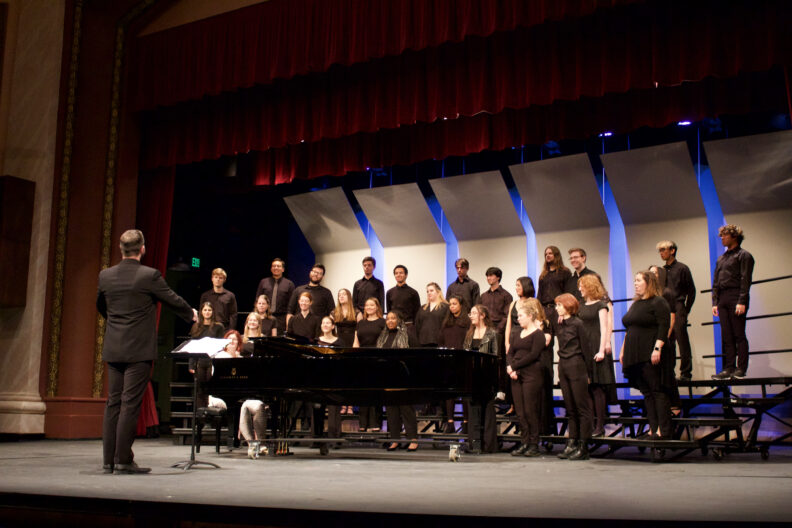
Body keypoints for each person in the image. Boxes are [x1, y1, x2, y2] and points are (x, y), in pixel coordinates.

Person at [96, 229, 196, 474]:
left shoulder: (105, 276)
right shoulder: (149, 275)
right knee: (130, 404)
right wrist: (190, 313)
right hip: (138, 349)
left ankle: (110, 460)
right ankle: (123, 460)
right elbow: (172, 299)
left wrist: (117, 324)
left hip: (114, 346)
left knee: (113, 403)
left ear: (121, 250)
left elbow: (102, 306)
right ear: (142, 249)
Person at [620, 271, 672, 439]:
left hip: (649, 352)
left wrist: (657, 348)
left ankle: (662, 430)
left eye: (638, 280)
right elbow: (629, 329)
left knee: (657, 391)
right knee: (647, 393)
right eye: (634, 280)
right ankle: (652, 428)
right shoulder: (636, 304)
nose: (635, 283)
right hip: (634, 354)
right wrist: (622, 350)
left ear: (648, 283)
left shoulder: (658, 302)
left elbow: (664, 326)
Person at [711, 224, 755, 380]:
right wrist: (715, 302)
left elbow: (745, 279)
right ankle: (728, 368)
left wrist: (742, 300)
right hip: (722, 298)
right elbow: (716, 281)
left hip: (736, 295)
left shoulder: (744, 255)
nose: (722, 238)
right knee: (726, 335)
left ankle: (741, 368)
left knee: (738, 334)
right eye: (721, 235)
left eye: (724, 235)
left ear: (734, 236)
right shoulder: (721, 258)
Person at [554, 293, 593, 460]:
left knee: (581, 407)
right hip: (563, 365)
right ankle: (572, 442)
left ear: (568, 306)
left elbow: (586, 349)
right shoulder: (560, 324)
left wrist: (589, 374)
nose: (556, 308)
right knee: (570, 408)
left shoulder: (578, 324)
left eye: (559, 305)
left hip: (577, 365)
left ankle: (583, 446)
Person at [577, 274, 617, 437]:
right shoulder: (580, 305)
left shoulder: (601, 305)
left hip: (596, 346)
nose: (579, 289)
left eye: (582, 286)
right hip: (584, 348)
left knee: (597, 388)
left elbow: (604, 328)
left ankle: (600, 425)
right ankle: (591, 424)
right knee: (587, 388)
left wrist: (601, 350)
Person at [506, 303, 546, 457]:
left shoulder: (538, 335)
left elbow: (533, 355)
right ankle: (525, 442)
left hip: (531, 375)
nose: (518, 318)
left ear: (530, 316)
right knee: (521, 412)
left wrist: (514, 366)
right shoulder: (516, 333)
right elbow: (510, 352)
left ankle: (534, 444)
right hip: (516, 375)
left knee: (530, 410)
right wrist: (510, 367)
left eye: (521, 316)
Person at [378, 311, 419, 451]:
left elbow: (416, 356)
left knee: (406, 409)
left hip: (404, 377)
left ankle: (413, 439)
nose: (390, 321)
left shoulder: (407, 335)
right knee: (391, 410)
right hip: (388, 377)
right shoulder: (383, 336)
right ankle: (395, 439)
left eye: (393, 318)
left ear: (399, 320)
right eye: (388, 318)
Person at [462, 304, 500, 453]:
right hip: (472, 377)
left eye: (473, 313)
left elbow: (496, 357)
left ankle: (488, 445)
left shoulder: (492, 334)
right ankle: (475, 445)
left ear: (482, 315)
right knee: (474, 412)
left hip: (487, 377)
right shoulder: (469, 334)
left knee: (488, 411)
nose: (470, 316)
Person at [656, 240, 696, 381]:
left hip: (678, 306)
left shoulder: (682, 268)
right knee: (667, 340)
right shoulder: (661, 271)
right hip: (665, 307)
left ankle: (685, 373)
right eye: (660, 250)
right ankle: (669, 372)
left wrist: (685, 309)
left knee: (681, 339)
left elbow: (691, 291)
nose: (661, 253)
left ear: (672, 250)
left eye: (663, 250)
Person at [437, 295, 470, 433]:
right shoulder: (446, 322)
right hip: (449, 361)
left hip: (463, 360)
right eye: (450, 304)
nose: (452, 306)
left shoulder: (467, 322)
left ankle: (466, 423)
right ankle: (450, 423)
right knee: (450, 393)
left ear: (461, 305)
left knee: (464, 393)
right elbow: (441, 340)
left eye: (454, 304)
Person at [480, 267, 512, 405]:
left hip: (500, 331)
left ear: (498, 277)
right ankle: (488, 388)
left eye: (491, 276)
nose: (489, 278)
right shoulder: (483, 296)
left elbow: (507, 315)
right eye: (487, 276)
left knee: (500, 361)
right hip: (486, 331)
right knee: (486, 361)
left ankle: (501, 390)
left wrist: (498, 330)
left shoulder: (506, 295)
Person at [352, 298, 386, 429]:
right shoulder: (360, 323)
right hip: (362, 360)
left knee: (376, 393)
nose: (369, 307)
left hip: (377, 361)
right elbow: (356, 342)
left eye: (372, 305)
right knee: (363, 393)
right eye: (367, 305)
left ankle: (375, 424)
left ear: (377, 307)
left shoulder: (382, 322)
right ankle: (363, 424)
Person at [317, 316, 343, 440]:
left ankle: (334, 438)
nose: (325, 325)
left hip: (335, 378)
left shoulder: (339, 342)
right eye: (323, 323)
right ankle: (316, 437)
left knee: (334, 409)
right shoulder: (316, 341)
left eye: (328, 323)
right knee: (317, 407)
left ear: (333, 326)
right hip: (319, 378)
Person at [255, 258, 295, 335]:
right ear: (271, 268)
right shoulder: (263, 282)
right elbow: (257, 300)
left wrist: (288, 323)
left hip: (281, 319)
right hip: (265, 317)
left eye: (278, 266)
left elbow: (292, 305)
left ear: (283, 269)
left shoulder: (289, 284)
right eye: (274, 266)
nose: (276, 267)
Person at [538, 246, 572, 324]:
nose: (547, 255)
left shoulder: (565, 272)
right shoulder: (543, 275)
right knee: (546, 335)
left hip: (559, 309)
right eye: (546, 254)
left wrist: (564, 312)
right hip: (545, 310)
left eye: (550, 253)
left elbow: (567, 293)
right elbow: (540, 294)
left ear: (556, 255)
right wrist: (539, 312)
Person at [505, 276, 536, 354]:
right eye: (516, 285)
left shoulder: (533, 302)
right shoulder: (513, 303)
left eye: (518, 285)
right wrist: (506, 343)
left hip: (526, 339)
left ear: (525, 286)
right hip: (513, 338)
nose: (516, 288)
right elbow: (508, 325)